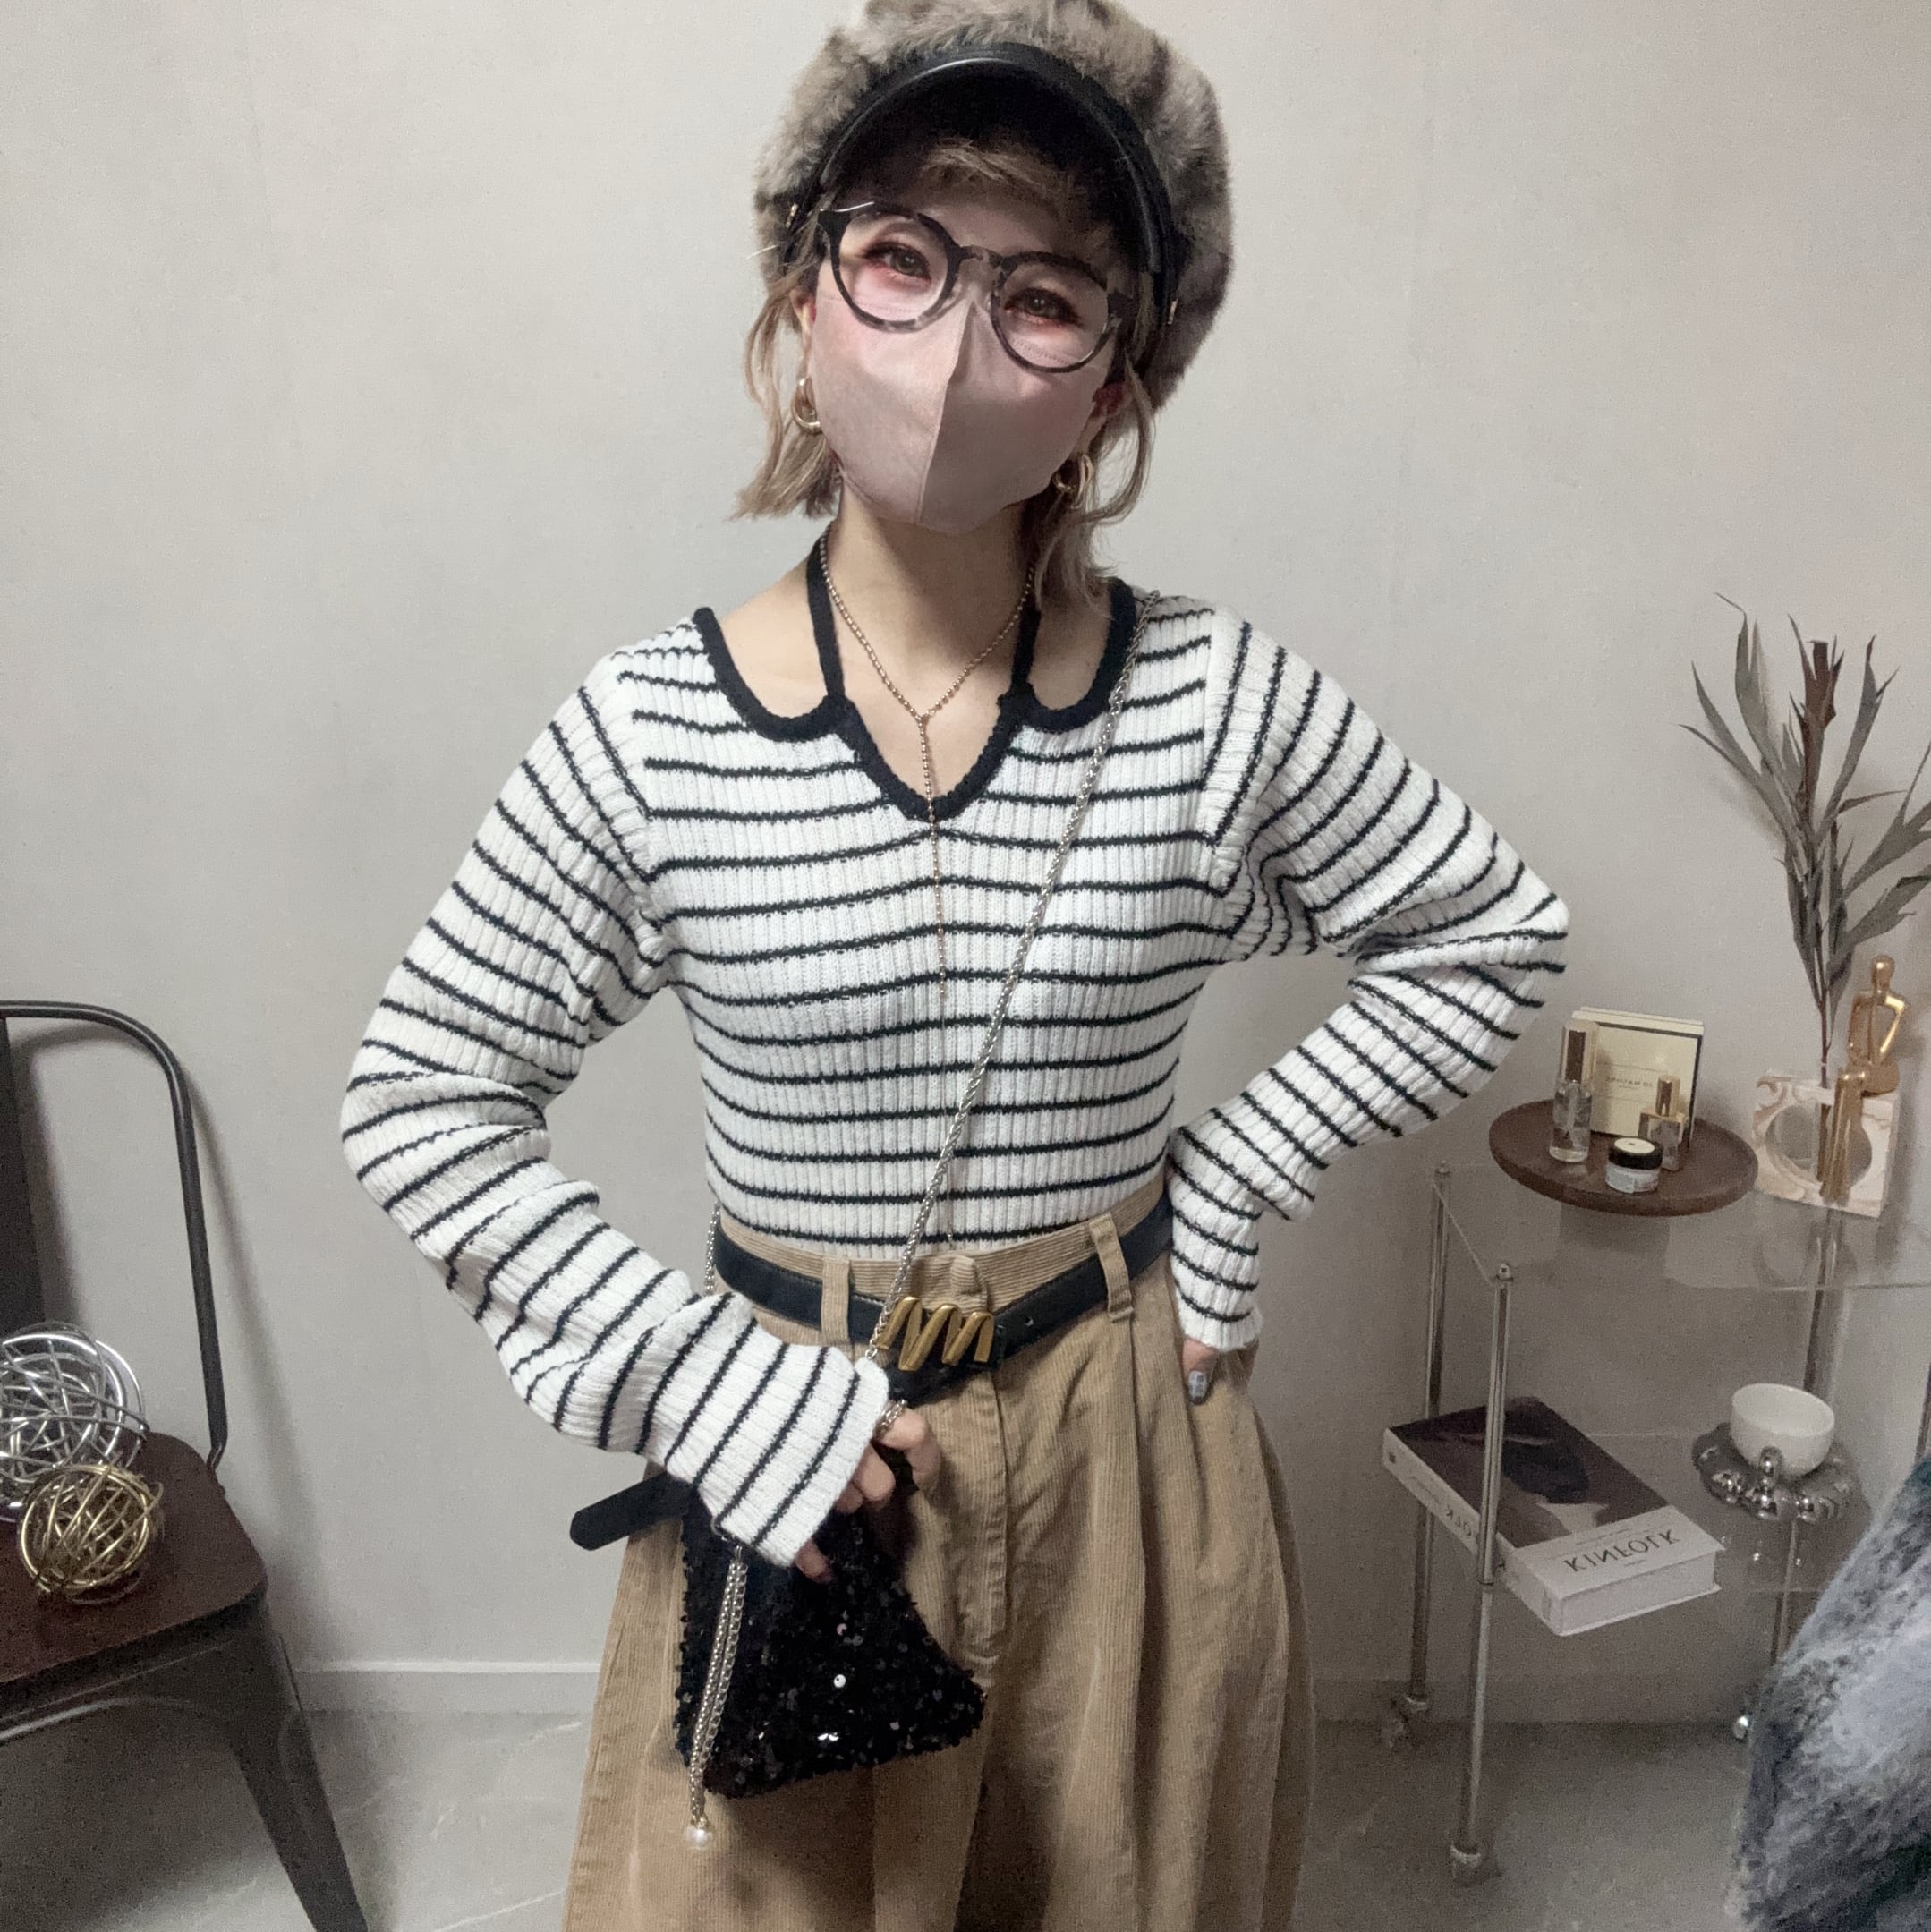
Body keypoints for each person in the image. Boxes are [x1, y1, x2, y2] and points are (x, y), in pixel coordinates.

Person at [338, 4, 1569, 1926]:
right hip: (793, 1454)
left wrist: (1232, 1183)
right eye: (903, 259)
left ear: (1114, 388)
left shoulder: (1215, 703)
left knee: (1124, 1887)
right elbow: (419, 1095)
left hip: (1126, 1444)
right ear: (802, 298)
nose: (956, 347)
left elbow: (1486, 927)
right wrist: (694, 1377)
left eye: (1044, 297)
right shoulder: (647, 734)